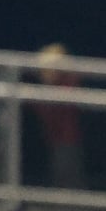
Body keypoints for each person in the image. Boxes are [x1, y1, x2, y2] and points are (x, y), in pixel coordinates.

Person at [28, 43, 85, 190]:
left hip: (67, 141)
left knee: (66, 177)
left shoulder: (67, 84)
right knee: (58, 176)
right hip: (53, 139)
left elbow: (58, 107)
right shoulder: (50, 87)